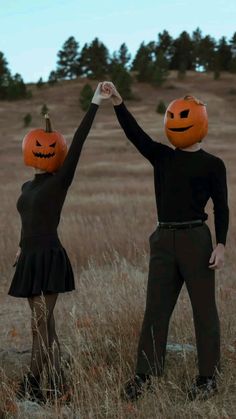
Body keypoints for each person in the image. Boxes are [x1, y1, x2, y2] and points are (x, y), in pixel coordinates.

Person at [101, 81, 229, 401]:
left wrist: (221, 244)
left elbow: (222, 207)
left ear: (200, 123)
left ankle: (207, 378)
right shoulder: (161, 156)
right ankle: (145, 375)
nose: (176, 122)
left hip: (196, 240)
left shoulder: (213, 164)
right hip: (163, 239)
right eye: (172, 117)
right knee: (155, 309)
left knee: (204, 310)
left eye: (183, 117)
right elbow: (135, 135)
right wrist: (118, 102)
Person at [9, 83, 111, 404]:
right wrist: (21, 247)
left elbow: (78, 141)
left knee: (39, 323)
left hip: (50, 257)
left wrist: (95, 101)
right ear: (30, 149)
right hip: (29, 259)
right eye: (37, 146)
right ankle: (57, 385)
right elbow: (29, 222)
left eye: (47, 147)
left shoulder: (59, 182)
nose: (41, 151)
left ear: (56, 152)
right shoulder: (28, 186)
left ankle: (31, 384)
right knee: (44, 326)